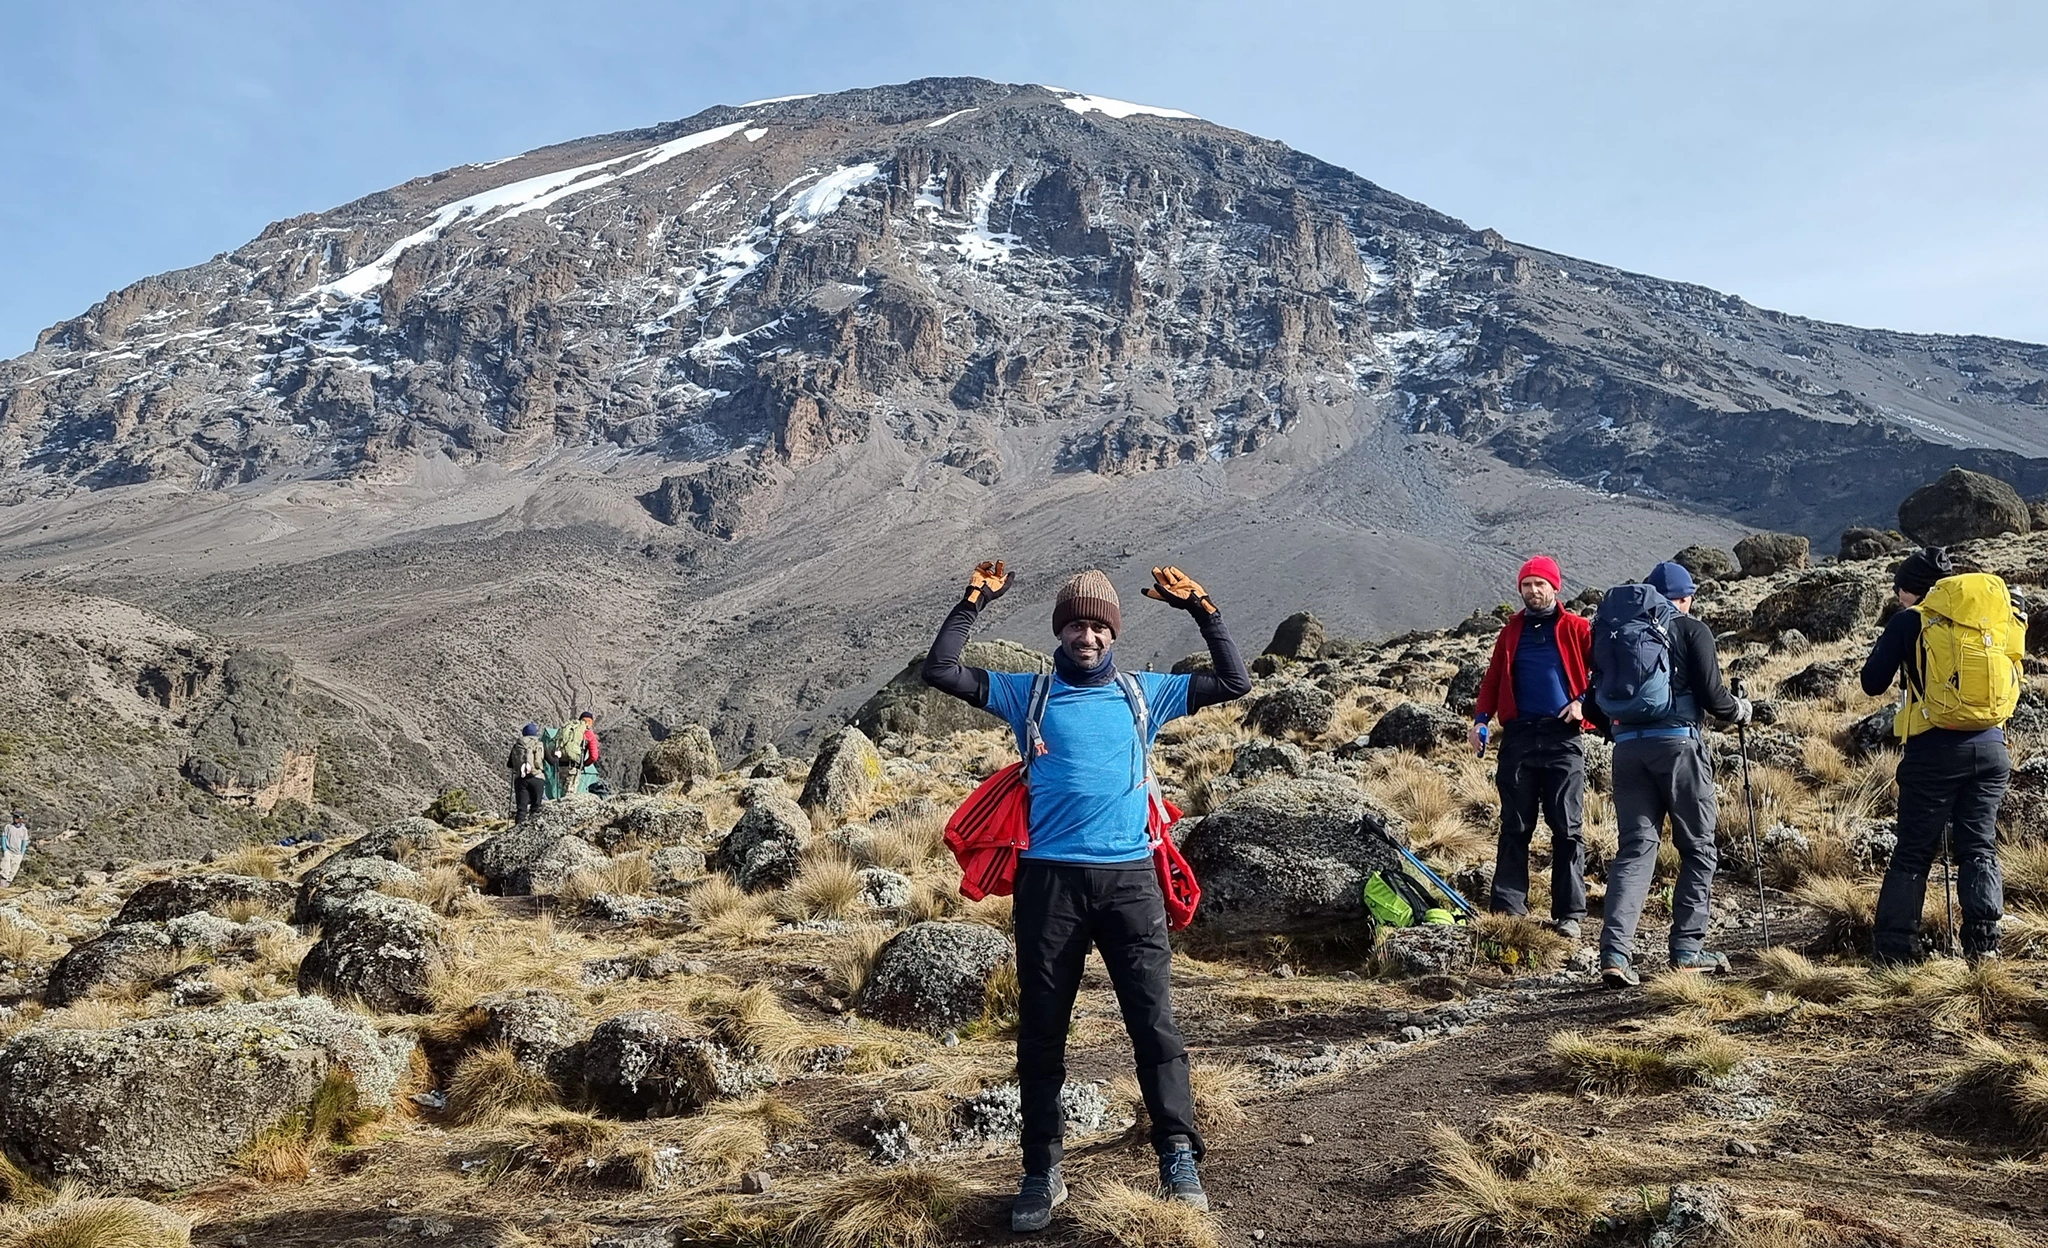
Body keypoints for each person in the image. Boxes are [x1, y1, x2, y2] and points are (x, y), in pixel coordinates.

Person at [922, 563, 1252, 1232]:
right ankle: (1042, 1170)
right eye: (1076, 623)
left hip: (1130, 882)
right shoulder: (1028, 694)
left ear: (1113, 633)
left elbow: (1236, 681)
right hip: (1050, 884)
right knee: (1042, 1031)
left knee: (1153, 1023)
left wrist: (1204, 610)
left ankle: (1177, 1156)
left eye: (1099, 625)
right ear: (1060, 631)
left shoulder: (1144, 694)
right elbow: (941, 672)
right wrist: (972, 603)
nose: (1088, 635)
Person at [1590, 560, 1751, 988]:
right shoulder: (1690, 629)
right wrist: (1742, 710)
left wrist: (1624, 733)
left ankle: (1614, 954)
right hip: (1679, 747)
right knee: (1698, 848)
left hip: (1627, 752)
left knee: (1636, 850)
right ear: (1684, 597)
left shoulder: (1614, 631)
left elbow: (1592, 705)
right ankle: (1686, 950)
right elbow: (1716, 699)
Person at [1859, 546, 2016, 964]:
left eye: (1899, 592)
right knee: (1979, 847)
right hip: (1991, 747)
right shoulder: (1986, 616)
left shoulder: (1909, 622)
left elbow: (1872, 683)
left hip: (1933, 750)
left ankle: (1895, 950)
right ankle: (1984, 948)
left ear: (1910, 591)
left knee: (1913, 849)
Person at [1470, 555, 1593, 939]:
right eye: (1527, 584)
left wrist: (1583, 704)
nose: (1533, 590)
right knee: (1514, 825)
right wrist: (1480, 720)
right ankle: (1508, 909)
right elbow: (1492, 680)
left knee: (1567, 827)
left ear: (1555, 588)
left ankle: (1570, 913)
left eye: (1540, 584)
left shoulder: (1577, 628)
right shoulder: (1510, 632)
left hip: (1562, 737)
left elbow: (1603, 674)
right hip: (1519, 737)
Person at [508, 723, 547, 822]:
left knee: (521, 809)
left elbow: (509, 764)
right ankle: (533, 833)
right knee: (536, 807)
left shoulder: (518, 745)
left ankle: (517, 834)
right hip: (537, 778)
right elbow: (551, 761)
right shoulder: (539, 744)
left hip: (521, 779)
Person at [0, 812, 26, 887]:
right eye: (15, 817)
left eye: (18, 817)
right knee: (5, 870)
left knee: (12, 872)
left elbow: (24, 842)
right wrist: (4, 850)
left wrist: (22, 853)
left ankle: (6, 889)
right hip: (8, 852)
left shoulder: (24, 830)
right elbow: (3, 838)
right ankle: (1, 889)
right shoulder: (8, 827)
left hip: (17, 854)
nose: (16, 819)